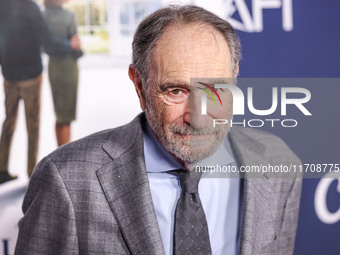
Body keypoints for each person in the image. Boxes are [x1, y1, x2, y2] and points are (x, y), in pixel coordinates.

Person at [15, 5, 302, 255]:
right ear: (140, 86)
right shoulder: (66, 180)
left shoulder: (278, 162)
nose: (198, 117)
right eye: (176, 91)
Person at [0, 0, 81, 184]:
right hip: (31, 76)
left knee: (8, 121)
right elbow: (47, 40)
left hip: (9, 75)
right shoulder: (30, 7)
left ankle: (1, 168)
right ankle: (31, 172)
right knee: (32, 124)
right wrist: (70, 46)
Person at [44, 0, 83, 146]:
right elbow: (75, 44)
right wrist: (77, 48)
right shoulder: (68, 16)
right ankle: (63, 157)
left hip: (53, 67)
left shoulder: (42, 16)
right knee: (66, 118)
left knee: (59, 115)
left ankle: (59, 150)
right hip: (68, 67)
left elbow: (46, 44)